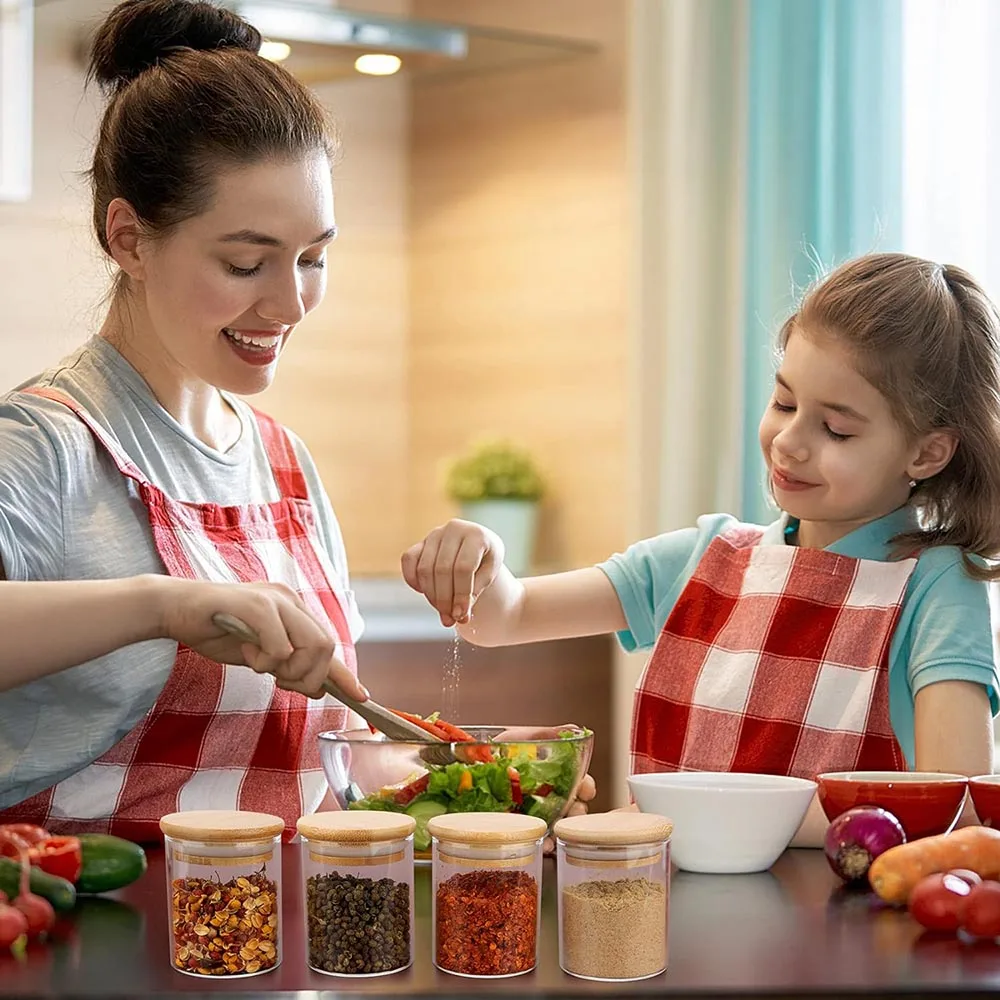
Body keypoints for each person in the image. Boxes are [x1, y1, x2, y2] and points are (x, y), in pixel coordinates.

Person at [402, 253, 1000, 844]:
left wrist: (672, 823)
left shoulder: (936, 585)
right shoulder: (707, 560)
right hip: (670, 924)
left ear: (926, 453)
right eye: (785, 403)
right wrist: (480, 557)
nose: (789, 443)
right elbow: (505, 617)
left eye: (836, 429)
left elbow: (956, 806)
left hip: (836, 932)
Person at [0, 0, 370, 840]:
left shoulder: (285, 464)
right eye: (245, 262)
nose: (290, 302)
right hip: (85, 948)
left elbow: (328, 760)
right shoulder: (44, 443)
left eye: (313, 258)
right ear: (128, 239)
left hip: (277, 952)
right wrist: (162, 606)